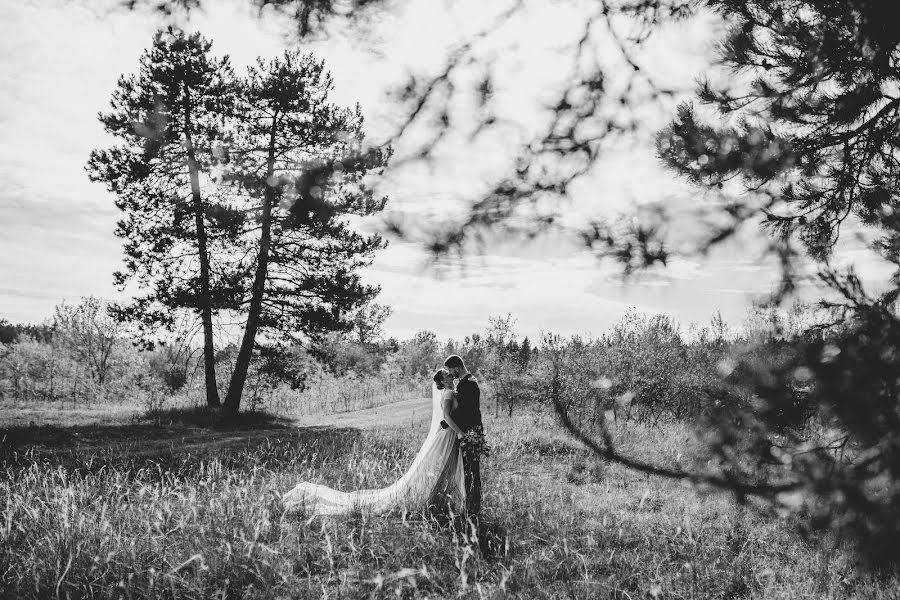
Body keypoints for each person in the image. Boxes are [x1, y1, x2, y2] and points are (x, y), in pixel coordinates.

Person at [282, 368, 463, 516]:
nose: (450, 375)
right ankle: (430, 499)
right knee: (436, 468)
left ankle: (436, 498)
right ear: (443, 381)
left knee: (440, 469)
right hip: (448, 435)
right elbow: (447, 416)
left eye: (449, 373)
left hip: (448, 434)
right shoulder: (448, 394)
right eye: (447, 374)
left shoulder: (451, 392)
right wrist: (461, 432)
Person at [440, 354, 483, 525]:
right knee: (469, 471)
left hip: (470, 432)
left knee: (471, 471)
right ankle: (471, 506)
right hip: (467, 432)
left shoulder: (469, 384)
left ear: (456, 367)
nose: (450, 373)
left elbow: (467, 412)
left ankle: (473, 509)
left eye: (450, 369)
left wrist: (446, 421)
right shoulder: (464, 383)